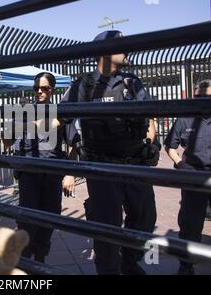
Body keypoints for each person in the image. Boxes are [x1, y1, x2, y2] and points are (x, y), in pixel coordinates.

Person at [61, 30, 159, 275]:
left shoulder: (131, 82)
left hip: (136, 165)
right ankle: (109, 270)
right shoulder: (84, 85)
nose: (127, 48)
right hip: (102, 169)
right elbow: (61, 119)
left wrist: (149, 144)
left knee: (145, 219)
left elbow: (151, 116)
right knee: (106, 227)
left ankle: (129, 262)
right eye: (121, 44)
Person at [3, 72, 70, 263]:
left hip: (52, 173)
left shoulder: (61, 112)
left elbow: (72, 141)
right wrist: (8, 129)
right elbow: (8, 142)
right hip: (29, 173)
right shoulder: (23, 111)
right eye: (37, 88)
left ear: (53, 89)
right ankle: (24, 259)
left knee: (50, 217)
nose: (40, 92)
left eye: (45, 88)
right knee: (27, 219)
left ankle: (40, 258)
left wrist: (69, 174)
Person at [164, 79, 211, 275]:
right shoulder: (185, 118)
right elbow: (170, 146)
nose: (202, 100)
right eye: (199, 96)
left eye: (207, 96)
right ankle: (186, 265)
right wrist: (181, 164)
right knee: (190, 224)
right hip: (193, 177)